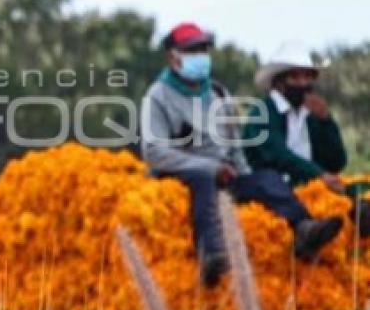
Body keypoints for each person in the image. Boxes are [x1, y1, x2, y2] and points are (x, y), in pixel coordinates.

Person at [140, 22, 342, 286]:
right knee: (203, 180)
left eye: (204, 49)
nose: (201, 56)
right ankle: (211, 254)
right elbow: (154, 151)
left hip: (223, 172)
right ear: (173, 58)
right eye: (193, 51)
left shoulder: (217, 92)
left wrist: (246, 179)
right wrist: (209, 168)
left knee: (266, 178)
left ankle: (303, 227)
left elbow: (233, 145)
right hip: (181, 174)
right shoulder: (158, 96)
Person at [243, 41, 369, 235]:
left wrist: (326, 121)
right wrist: (317, 174)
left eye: (307, 77)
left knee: (362, 187)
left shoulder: (310, 113)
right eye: (295, 77)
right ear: (279, 82)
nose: (303, 84)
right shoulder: (263, 111)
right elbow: (277, 154)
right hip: (276, 185)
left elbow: (337, 162)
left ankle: (362, 217)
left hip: (313, 183)